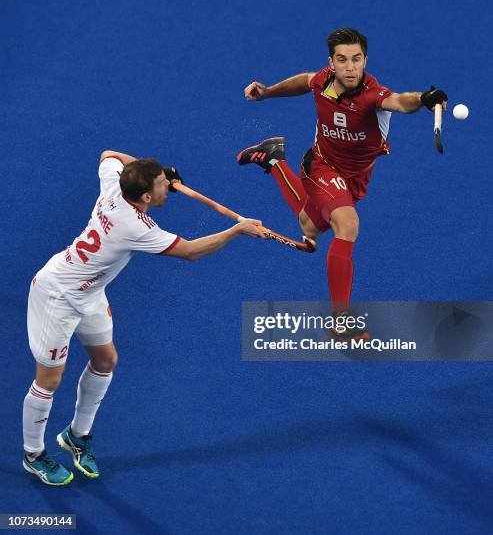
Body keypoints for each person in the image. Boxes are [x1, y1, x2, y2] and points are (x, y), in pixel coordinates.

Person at [23, 150, 264, 486]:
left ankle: (77, 436)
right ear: (147, 196)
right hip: (57, 297)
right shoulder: (136, 227)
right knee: (49, 380)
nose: (171, 186)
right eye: (165, 184)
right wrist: (237, 230)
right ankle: (33, 455)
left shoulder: (114, 186)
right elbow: (191, 252)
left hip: (89, 293)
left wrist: (156, 171)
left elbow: (109, 155)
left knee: (105, 360)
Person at [237, 27, 447, 337]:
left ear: (365, 61)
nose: (350, 67)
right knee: (347, 224)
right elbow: (304, 81)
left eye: (357, 59)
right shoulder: (323, 81)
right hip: (319, 167)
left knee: (308, 226)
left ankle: (273, 159)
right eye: (342, 60)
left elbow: (401, 102)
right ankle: (340, 321)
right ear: (332, 63)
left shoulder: (373, 96)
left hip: (355, 179)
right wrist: (268, 92)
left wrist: (424, 97)